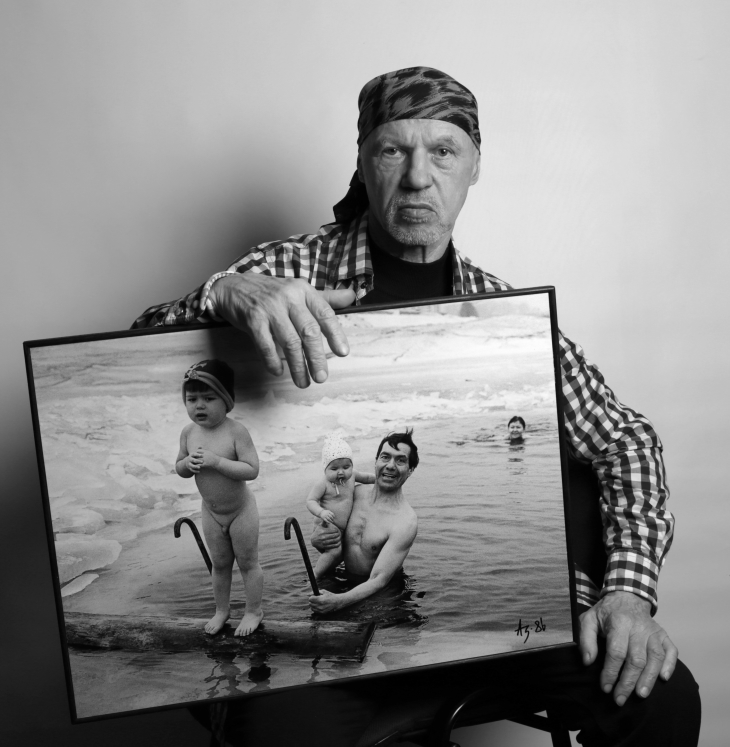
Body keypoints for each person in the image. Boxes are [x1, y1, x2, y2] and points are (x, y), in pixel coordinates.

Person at [138, 67, 700, 746]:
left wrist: (627, 593)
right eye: (392, 150)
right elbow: (142, 356)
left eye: (443, 151)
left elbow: (625, 439)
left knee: (662, 698)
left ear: (474, 167)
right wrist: (220, 293)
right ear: (363, 162)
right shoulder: (285, 270)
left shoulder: (502, 315)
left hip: (504, 629)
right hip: (340, 657)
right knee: (280, 731)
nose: (416, 177)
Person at [175, 359, 264, 637]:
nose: (199, 405)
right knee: (220, 564)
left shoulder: (236, 431)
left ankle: (254, 610)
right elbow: (179, 468)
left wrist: (217, 462)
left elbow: (252, 469)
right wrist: (186, 464)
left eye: (208, 398)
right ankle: (222, 610)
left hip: (241, 510)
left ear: (226, 401)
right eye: (192, 399)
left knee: (248, 562)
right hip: (211, 512)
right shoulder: (188, 433)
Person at [309, 430, 419, 613]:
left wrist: (338, 601)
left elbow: (379, 579)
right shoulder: (354, 495)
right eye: (385, 457)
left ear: (410, 470)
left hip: (382, 593)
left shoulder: (405, 521)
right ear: (376, 461)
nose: (390, 466)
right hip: (344, 578)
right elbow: (333, 541)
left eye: (400, 460)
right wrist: (317, 540)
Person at [305, 432, 375, 580]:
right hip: (327, 525)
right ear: (325, 468)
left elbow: (368, 478)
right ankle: (314, 575)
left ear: (352, 465)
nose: (341, 472)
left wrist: (380, 479)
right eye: (334, 469)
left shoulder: (352, 476)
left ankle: (327, 573)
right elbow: (310, 501)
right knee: (334, 551)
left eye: (346, 467)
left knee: (340, 555)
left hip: (342, 528)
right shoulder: (324, 483)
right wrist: (321, 512)